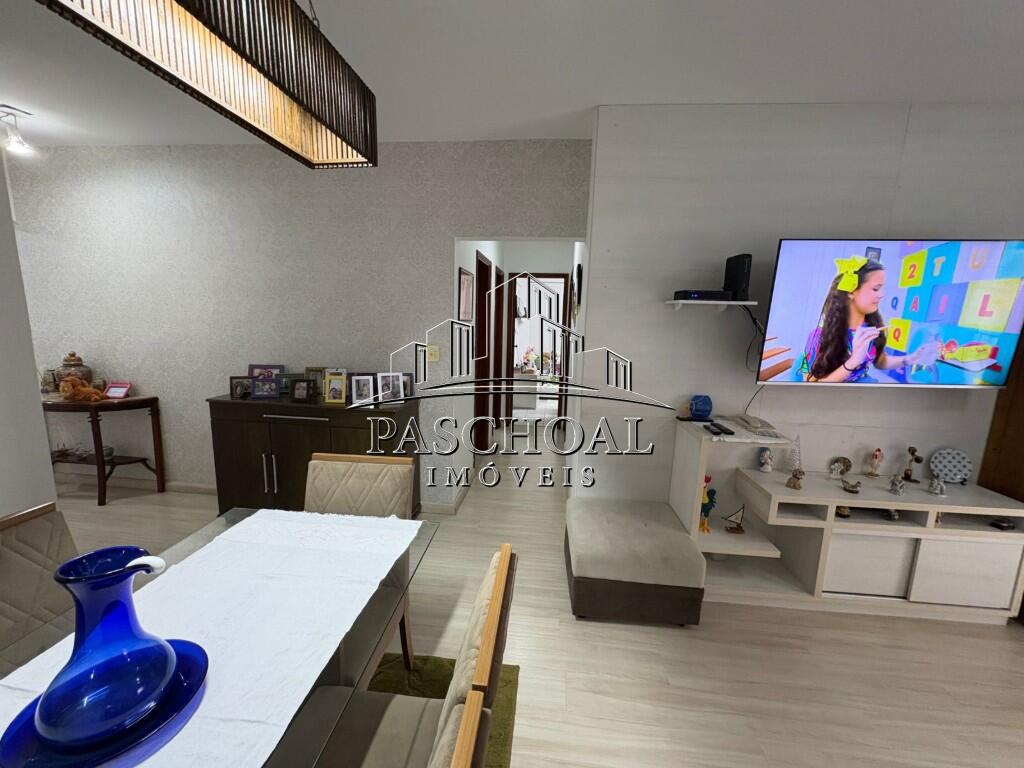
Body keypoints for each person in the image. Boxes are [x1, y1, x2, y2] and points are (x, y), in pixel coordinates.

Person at [800, 256, 934, 382]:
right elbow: (810, 383)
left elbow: (880, 361)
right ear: (851, 292)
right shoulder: (819, 336)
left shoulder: (872, 326)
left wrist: (913, 358)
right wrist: (853, 360)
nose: (881, 295)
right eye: (876, 289)